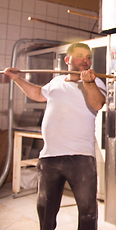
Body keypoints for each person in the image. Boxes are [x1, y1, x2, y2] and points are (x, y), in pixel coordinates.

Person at [4, 43, 106, 230]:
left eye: (88, 57)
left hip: (81, 158)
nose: (85, 60)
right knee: (45, 211)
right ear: (67, 60)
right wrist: (16, 78)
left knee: (87, 213)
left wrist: (88, 82)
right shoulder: (56, 82)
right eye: (80, 55)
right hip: (49, 157)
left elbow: (98, 103)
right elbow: (36, 93)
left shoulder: (96, 82)